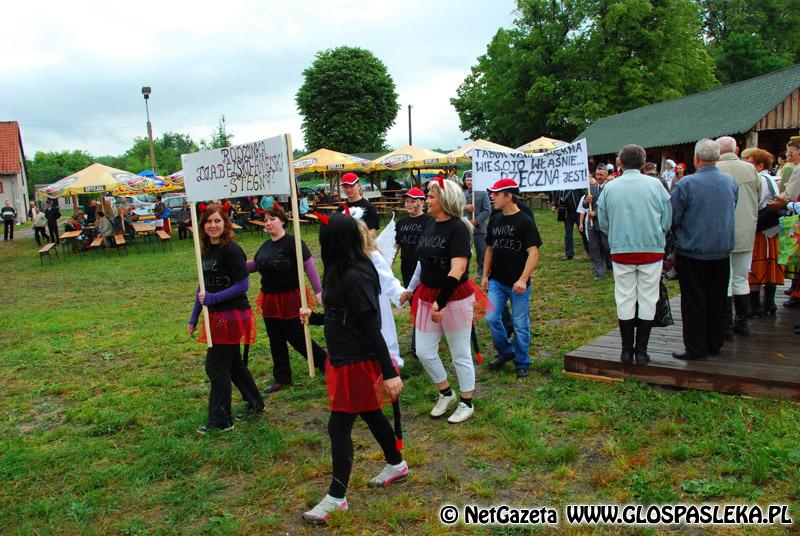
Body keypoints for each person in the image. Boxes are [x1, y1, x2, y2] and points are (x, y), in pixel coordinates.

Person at [299, 213, 405, 525]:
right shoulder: (337, 269)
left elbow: (371, 327)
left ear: (335, 241)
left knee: (339, 426)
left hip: (356, 361)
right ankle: (396, 464)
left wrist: (389, 372)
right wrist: (315, 317)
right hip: (341, 356)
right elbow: (340, 313)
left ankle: (336, 497)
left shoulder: (357, 275)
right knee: (371, 413)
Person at [400, 176, 479, 423]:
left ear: (444, 200)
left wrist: (441, 302)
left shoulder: (458, 228)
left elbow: (457, 269)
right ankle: (446, 392)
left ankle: (467, 402)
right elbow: (422, 263)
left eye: (431, 196)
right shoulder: (430, 224)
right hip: (427, 295)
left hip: (453, 297)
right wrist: (411, 289)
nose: (426, 200)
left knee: (460, 353)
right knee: (424, 352)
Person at [187, 205, 264, 433]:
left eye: (217, 221)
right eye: (209, 221)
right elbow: (203, 286)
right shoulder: (206, 250)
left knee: (216, 365)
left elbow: (243, 285)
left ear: (225, 224)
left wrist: (213, 298)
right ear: (203, 226)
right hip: (216, 314)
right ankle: (255, 402)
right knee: (232, 363)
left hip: (231, 315)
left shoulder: (231, 250)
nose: (213, 225)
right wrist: (194, 316)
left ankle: (221, 421)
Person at [597, 145, 672, 365]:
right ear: (643, 161)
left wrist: (615, 235)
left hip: (622, 249)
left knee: (625, 296)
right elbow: (667, 218)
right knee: (648, 298)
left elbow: (603, 220)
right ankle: (641, 351)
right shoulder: (656, 185)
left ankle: (625, 351)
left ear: (620, 163)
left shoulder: (610, 188)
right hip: (651, 248)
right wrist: (658, 233)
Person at [670, 139, 738, 360]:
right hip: (721, 248)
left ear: (696, 158)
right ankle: (714, 342)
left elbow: (674, 217)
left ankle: (696, 347)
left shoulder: (685, 184)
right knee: (717, 298)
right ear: (717, 158)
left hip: (693, 250)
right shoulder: (730, 182)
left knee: (693, 301)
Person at [250, 204, 327, 393]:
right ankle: (282, 377)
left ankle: (324, 361)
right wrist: (234, 266)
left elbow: (309, 267)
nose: (268, 223)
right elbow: (255, 265)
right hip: (269, 298)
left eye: (272, 219)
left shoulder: (294, 243)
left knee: (296, 335)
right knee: (275, 338)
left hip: (291, 296)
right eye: (266, 220)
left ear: (282, 221)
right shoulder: (265, 246)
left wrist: (318, 291)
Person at [482, 179, 542, 378]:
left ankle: (522, 361)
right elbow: (489, 249)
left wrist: (523, 279)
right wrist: (484, 275)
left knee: (520, 324)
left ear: (509, 196)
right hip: (497, 281)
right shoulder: (495, 218)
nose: (492, 197)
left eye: (497, 194)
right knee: (491, 317)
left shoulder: (525, 221)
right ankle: (507, 351)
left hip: (519, 284)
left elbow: (533, 254)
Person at [716, 136, 761, 336]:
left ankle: (724, 325)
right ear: (736, 150)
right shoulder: (750, 169)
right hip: (745, 230)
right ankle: (742, 322)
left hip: (721, 231)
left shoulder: (714, 169)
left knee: (725, 279)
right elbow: (759, 198)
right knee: (741, 278)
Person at [357, 219, 406, 367]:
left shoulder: (372, 254)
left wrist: (400, 294)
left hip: (375, 298)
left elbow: (387, 277)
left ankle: (388, 357)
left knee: (382, 328)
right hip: (355, 300)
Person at [741, 148, 783, 317]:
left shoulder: (761, 179)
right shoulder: (770, 178)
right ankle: (768, 303)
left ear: (759, 165)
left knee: (758, 264)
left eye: (748, 161)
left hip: (761, 228)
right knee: (768, 262)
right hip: (770, 228)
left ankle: (756, 305)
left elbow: (757, 203)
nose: (744, 163)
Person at [394, 188, 433, 287]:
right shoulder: (401, 222)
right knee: (410, 294)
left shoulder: (430, 221)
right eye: (407, 201)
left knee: (422, 296)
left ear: (422, 202)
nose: (408, 204)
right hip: (406, 264)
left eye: (413, 201)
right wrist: (390, 262)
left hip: (424, 264)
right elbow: (397, 244)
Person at [583, 166, 612, 279]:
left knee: (607, 246)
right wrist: (587, 201)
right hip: (592, 223)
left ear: (606, 176)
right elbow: (585, 205)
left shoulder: (610, 188)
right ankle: (599, 271)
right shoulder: (591, 188)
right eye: (597, 174)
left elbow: (611, 206)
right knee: (594, 247)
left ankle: (610, 266)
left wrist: (597, 213)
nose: (598, 177)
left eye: (601, 175)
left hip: (605, 223)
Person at [463, 174, 491, 277]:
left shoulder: (482, 193)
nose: (469, 182)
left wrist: (477, 221)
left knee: (481, 251)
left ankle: (482, 272)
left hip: (479, 228)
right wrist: (465, 206)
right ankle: (464, 271)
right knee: (465, 251)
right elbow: (457, 207)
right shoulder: (463, 194)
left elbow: (487, 210)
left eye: (471, 180)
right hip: (466, 227)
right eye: (467, 180)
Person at [557, 189, 585, 260]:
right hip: (567, 214)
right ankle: (569, 254)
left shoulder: (578, 188)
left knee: (583, 233)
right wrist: (555, 203)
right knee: (568, 234)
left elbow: (583, 198)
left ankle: (590, 251)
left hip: (578, 213)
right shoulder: (562, 189)